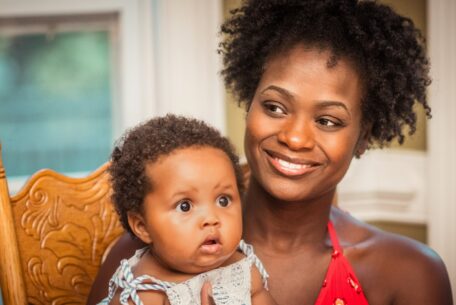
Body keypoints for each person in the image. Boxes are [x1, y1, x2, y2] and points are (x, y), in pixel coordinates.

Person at [88, 1, 454, 304]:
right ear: (249, 104)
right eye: (276, 107)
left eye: (328, 120)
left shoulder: (409, 274)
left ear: (362, 137)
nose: (295, 138)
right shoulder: (146, 258)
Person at [97, 115, 276, 305]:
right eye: (185, 206)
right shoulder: (143, 292)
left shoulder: (242, 270)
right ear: (142, 226)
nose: (211, 218)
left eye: (223, 200)